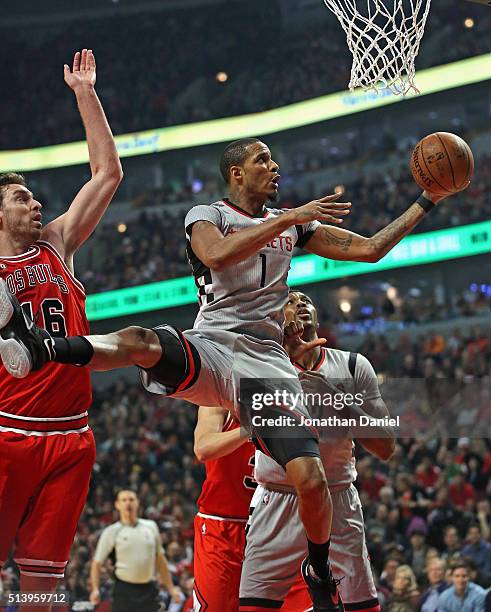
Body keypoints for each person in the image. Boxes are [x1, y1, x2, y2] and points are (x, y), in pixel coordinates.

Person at [0, 137, 458, 610]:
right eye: (263, 159)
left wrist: (427, 200)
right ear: (237, 173)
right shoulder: (206, 214)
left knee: (312, 479)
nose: (274, 166)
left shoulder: (293, 231)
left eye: (274, 159)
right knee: (142, 341)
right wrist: (287, 218)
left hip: (265, 366)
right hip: (214, 345)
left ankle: (318, 567)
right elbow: (217, 255)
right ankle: (42, 347)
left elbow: (371, 250)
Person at [0, 49, 123, 611]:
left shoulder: (56, 245)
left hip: (73, 436)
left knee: (43, 585)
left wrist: (85, 94)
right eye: (21, 198)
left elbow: (108, 173)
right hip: (9, 431)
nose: (36, 202)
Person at [239, 290, 395, 611]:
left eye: (306, 300)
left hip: (337, 497)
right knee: (254, 605)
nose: (299, 304)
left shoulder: (352, 366)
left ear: (318, 317)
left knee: (362, 606)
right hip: (277, 498)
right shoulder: (260, 369)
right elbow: (249, 427)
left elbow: (385, 446)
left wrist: (335, 398)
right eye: (290, 301)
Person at [192, 405, 256, 611]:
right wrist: (250, 427)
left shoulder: (287, 401)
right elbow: (203, 448)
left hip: (271, 521)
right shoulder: (217, 403)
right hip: (220, 525)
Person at [90, 490, 181, 611]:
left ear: (137, 503)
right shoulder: (111, 531)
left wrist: (171, 588)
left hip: (149, 589)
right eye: (124, 500)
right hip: (123, 591)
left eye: (131, 499)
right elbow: (97, 563)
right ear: (117, 505)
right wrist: (95, 589)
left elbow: (160, 560)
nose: (128, 503)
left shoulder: (151, 526)